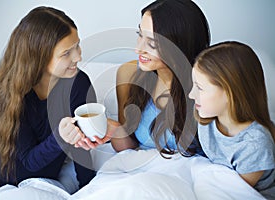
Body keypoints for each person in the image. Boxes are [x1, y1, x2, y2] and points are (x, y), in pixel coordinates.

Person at [0, 6, 96, 199]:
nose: (78, 57)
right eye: (66, 53)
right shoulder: (10, 92)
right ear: (39, 57)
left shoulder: (79, 84)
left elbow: (80, 148)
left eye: (77, 46)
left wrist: (89, 190)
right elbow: (27, 165)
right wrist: (60, 137)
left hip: (34, 185)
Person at [70, 0, 210, 156]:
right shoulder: (128, 74)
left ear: (180, 45)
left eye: (152, 42)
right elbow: (131, 147)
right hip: (144, 171)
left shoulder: (207, 86)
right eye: (140, 35)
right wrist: (114, 129)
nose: (138, 49)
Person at [188, 41, 275, 199]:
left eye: (199, 88)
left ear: (230, 93)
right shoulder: (206, 121)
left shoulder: (255, 144)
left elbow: (233, 192)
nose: (191, 95)